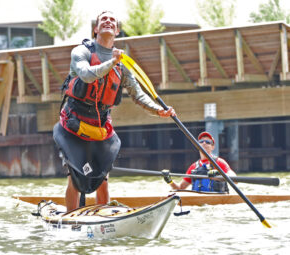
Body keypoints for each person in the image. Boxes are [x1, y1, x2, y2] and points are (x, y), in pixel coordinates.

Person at [53, 11, 176, 211]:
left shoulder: (123, 65)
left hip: (100, 127)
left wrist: (159, 110)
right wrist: (112, 62)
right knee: (75, 178)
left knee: (103, 180)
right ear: (96, 29)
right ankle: (71, 218)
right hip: (73, 125)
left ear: (117, 31)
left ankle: (103, 218)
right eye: (104, 20)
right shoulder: (81, 52)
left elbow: (139, 95)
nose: (108, 22)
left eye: (113, 20)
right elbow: (86, 75)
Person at [162, 131, 236, 193]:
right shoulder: (193, 167)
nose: (204, 143)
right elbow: (180, 188)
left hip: (217, 200)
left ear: (213, 147)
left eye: (208, 142)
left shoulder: (219, 162)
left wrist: (219, 174)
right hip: (198, 202)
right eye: (201, 141)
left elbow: (235, 180)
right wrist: (170, 181)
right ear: (198, 145)